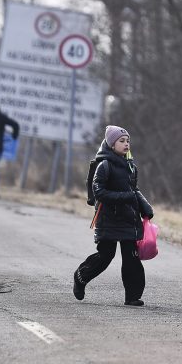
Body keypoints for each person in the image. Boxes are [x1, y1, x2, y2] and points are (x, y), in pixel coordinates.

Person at [73, 125, 154, 306]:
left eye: (128, 141)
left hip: (128, 220)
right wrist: (125, 197)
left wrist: (145, 206)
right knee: (105, 256)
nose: (126, 144)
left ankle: (132, 296)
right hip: (108, 220)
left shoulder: (130, 165)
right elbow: (99, 192)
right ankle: (81, 277)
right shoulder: (104, 165)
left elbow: (134, 190)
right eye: (121, 141)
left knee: (131, 258)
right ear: (111, 144)